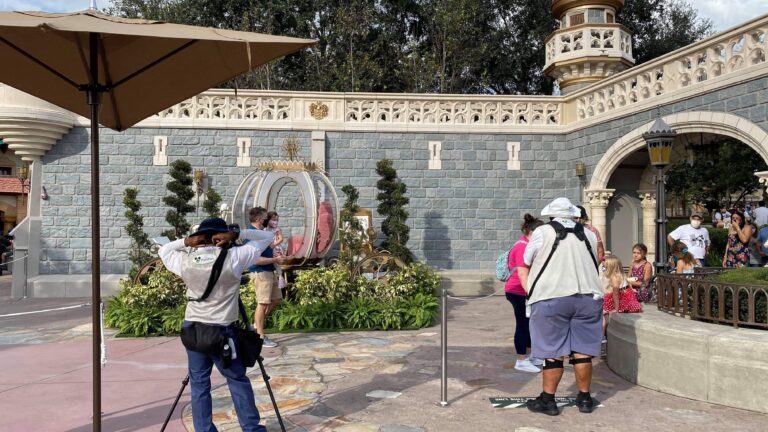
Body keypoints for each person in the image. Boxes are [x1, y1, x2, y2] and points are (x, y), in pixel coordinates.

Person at [158, 217, 274, 432]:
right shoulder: (235, 257)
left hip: (193, 330)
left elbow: (164, 250)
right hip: (222, 331)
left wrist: (186, 242)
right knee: (237, 380)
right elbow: (267, 237)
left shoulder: (185, 260)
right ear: (223, 236)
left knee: (199, 384)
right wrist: (237, 234)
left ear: (199, 238)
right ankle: (251, 428)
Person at [517, 197, 603, 416]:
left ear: (551, 215)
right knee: (583, 351)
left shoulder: (542, 232)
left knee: (552, 351)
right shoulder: (590, 234)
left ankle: (548, 400)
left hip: (552, 296)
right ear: (573, 214)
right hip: (588, 296)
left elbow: (527, 260)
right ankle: (585, 398)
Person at [505, 213, 544, 373]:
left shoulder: (524, 244)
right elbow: (522, 274)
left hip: (521, 290)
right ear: (533, 232)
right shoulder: (522, 247)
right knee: (523, 324)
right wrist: (530, 293)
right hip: (518, 291)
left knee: (529, 324)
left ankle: (530, 355)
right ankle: (521, 360)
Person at [248, 207, 286, 348]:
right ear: (259, 219)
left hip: (269, 271)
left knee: (276, 299)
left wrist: (276, 256)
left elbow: (268, 248)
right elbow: (255, 259)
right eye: (265, 218)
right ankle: (260, 337)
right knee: (262, 303)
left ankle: (256, 326)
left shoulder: (262, 233)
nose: (267, 220)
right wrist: (275, 260)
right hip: (260, 272)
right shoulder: (252, 235)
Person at [601, 255, 642, 340]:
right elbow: (628, 285)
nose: (604, 266)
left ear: (611, 267)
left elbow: (615, 294)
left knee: (601, 310)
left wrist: (616, 309)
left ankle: (602, 336)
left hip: (623, 300)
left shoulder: (614, 277)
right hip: (628, 297)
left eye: (606, 265)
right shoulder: (621, 274)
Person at [264, 211, 286, 289]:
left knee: (276, 259)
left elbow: (281, 238)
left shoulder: (277, 229)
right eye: (273, 220)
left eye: (277, 220)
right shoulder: (264, 229)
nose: (275, 222)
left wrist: (274, 245)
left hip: (276, 247)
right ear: (268, 219)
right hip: (268, 247)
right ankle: (278, 275)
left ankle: (280, 275)